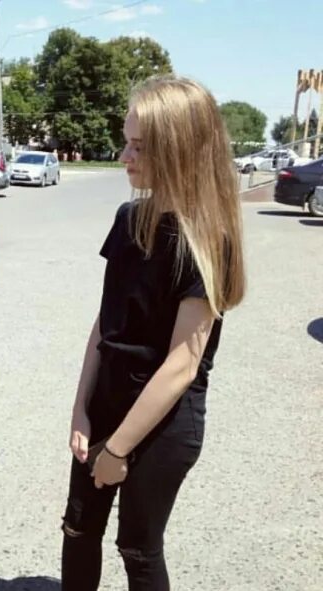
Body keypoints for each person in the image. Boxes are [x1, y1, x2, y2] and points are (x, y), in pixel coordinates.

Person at [61, 75, 246, 591]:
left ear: (180, 151)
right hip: (106, 404)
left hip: (164, 421)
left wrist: (117, 451)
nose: (124, 156)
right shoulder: (129, 219)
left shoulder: (208, 240)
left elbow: (182, 365)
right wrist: (82, 408)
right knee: (78, 529)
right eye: (126, 142)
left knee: (137, 548)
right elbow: (105, 324)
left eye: (139, 147)